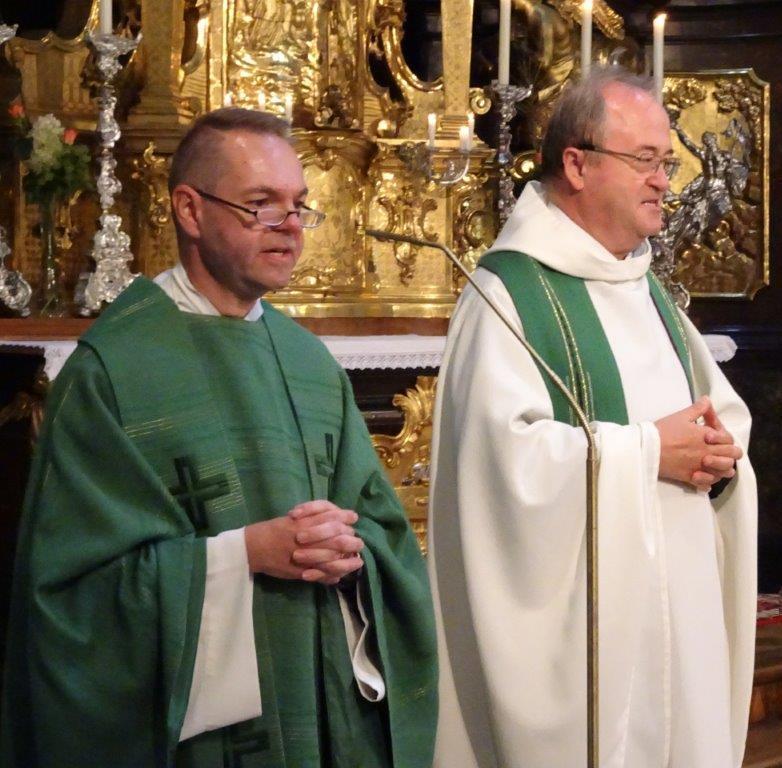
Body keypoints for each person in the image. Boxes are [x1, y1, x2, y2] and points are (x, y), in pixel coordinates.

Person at [1, 108, 437, 768]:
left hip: (318, 699)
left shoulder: (309, 363)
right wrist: (246, 555)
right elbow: (71, 596)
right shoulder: (113, 371)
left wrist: (352, 549)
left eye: (299, 205)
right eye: (261, 205)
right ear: (190, 210)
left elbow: (384, 532)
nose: (290, 226)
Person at [428, 68, 757, 768]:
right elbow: (499, 467)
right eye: (645, 160)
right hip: (589, 638)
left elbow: (717, 411)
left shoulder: (643, 285)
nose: (664, 181)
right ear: (576, 164)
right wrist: (648, 453)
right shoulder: (509, 293)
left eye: (667, 163)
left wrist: (721, 450)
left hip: (679, 611)